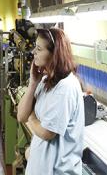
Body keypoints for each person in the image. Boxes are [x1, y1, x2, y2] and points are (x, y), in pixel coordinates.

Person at [17, 27, 84, 175]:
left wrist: (32, 117)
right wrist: (33, 83)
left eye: (39, 49)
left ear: (54, 54)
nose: (33, 52)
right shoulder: (46, 80)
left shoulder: (65, 87)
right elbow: (21, 116)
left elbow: (47, 132)